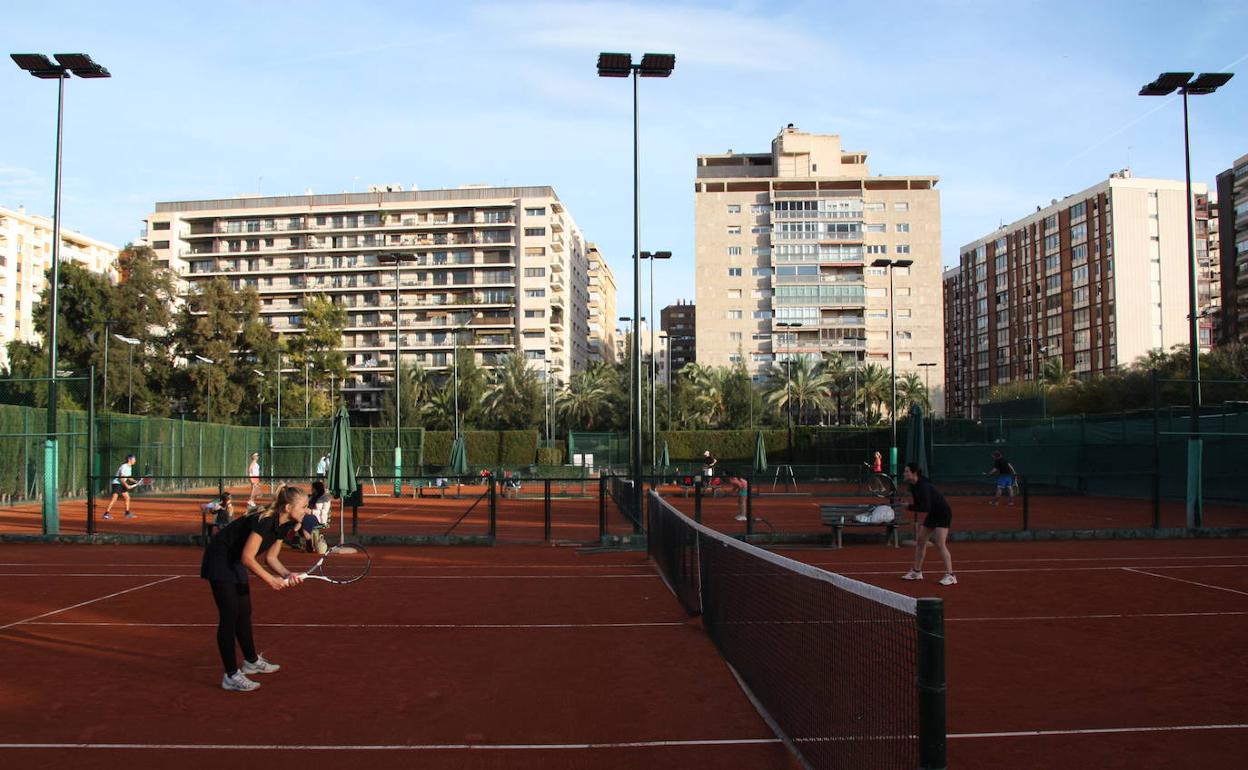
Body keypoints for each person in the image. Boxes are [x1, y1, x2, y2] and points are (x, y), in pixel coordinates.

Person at [200, 485, 310, 692]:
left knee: (244, 613)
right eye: (304, 506)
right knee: (230, 615)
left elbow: (271, 558)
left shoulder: (286, 525)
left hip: (235, 561)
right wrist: (271, 580)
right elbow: (248, 558)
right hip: (220, 558)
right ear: (288, 507)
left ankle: (250, 661)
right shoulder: (266, 521)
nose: (307, 510)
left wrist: (287, 574)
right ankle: (231, 675)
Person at [901, 463, 956, 586]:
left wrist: (908, 507)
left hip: (943, 513)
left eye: (906, 471)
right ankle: (916, 572)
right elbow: (920, 504)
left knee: (939, 543)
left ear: (914, 473)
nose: (904, 474)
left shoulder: (923, 486)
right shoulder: (913, 486)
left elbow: (925, 507)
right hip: (933, 513)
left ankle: (951, 575)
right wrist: (910, 506)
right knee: (921, 541)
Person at [103, 454, 139, 520]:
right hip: (116, 483)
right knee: (114, 499)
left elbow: (128, 477)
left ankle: (127, 513)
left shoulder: (129, 467)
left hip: (122, 484)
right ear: (129, 459)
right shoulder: (124, 466)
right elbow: (121, 478)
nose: (135, 461)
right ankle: (106, 514)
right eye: (134, 459)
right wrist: (127, 485)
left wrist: (136, 481)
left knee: (127, 497)